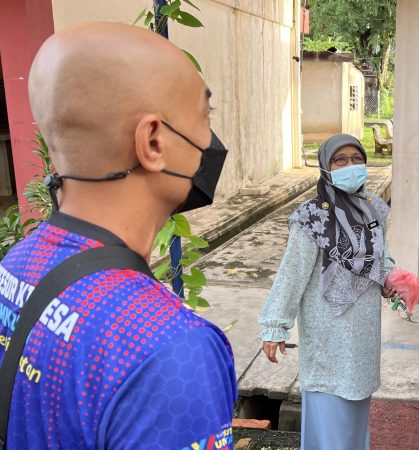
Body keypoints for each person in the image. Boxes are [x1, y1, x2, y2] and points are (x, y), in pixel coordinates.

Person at [0, 23, 236, 448]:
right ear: (153, 142)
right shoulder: (169, 350)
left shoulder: (16, 264)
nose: (210, 140)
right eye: (206, 116)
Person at [258, 134, 394, 450]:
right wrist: (275, 325)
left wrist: (393, 279)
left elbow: (381, 256)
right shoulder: (311, 217)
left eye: (356, 159)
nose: (350, 166)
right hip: (327, 333)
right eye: (340, 160)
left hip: (363, 334)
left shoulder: (373, 207)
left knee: (355, 415)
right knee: (330, 417)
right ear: (325, 167)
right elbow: (292, 272)